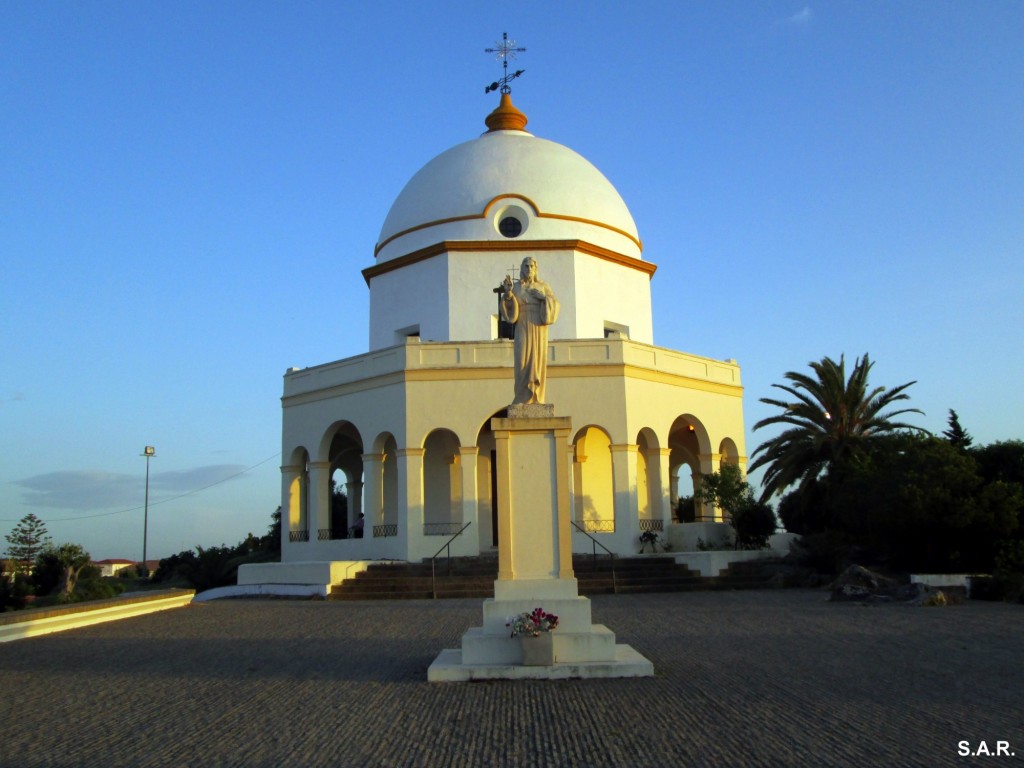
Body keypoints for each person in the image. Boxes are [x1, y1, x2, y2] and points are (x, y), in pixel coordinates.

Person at [500, 257, 560, 405]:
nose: (529, 269)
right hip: (522, 325)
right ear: (522, 268)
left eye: (532, 266)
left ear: (535, 269)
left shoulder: (543, 286)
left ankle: (537, 396)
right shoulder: (516, 288)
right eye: (526, 266)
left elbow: (555, 304)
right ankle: (521, 397)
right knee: (522, 361)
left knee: (537, 361)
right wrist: (508, 294)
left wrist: (543, 298)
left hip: (539, 327)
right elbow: (511, 315)